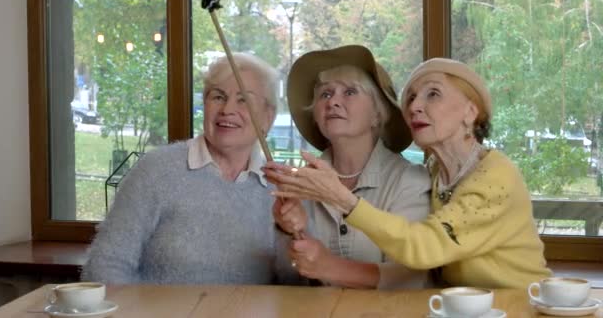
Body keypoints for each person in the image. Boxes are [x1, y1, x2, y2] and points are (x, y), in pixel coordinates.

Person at [265, 58, 552, 289]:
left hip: (518, 305)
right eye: (411, 97)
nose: (414, 106)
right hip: (464, 308)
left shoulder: (495, 177)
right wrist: (290, 228)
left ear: (470, 111)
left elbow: (423, 249)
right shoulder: (437, 171)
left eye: (433, 94)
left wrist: (342, 200)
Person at [82, 53, 300, 285]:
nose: (227, 109)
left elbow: (295, 288)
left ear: (268, 117)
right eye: (218, 96)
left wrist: (289, 234)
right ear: (204, 104)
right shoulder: (155, 171)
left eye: (244, 100)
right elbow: (104, 267)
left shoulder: (283, 187)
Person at [270, 45, 431, 289]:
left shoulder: (410, 181)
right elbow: (285, 279)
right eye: (325, 94)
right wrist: (289, 232)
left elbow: (412, 279)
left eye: (350, 92)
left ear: (377, 114)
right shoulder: (299, 183)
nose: (333, 101)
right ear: (315, 115)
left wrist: (328, 266)